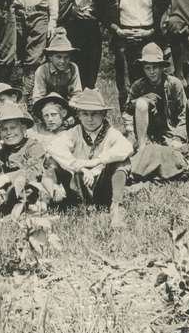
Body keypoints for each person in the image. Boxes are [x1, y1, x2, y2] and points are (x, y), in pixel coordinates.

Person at [48, 88, 133, 228]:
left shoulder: (111, 133)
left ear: (104, 114)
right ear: (78, 116)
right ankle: (49, 204)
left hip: (102, 186)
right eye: (85, 114)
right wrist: (79, 166)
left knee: (122, 161)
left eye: (95, 114)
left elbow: (127, 148)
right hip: (79, 185)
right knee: (52, 161)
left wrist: (97, 161)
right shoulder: (74, 132)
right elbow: (54, 147)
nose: (89, 119)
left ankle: (116, 207)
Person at [111, 0, 170, 112]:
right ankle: (127, 119)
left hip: (148, 36)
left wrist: (151, 32)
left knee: (151, 78)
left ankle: (153, 118)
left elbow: (161, 15)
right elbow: (107, 14)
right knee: (126, 81)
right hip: (125, 36)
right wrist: (118, 30)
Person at [61, 0, 116, 88]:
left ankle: (88, 97)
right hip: (72, 26)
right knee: (72, 65)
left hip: (91, 26)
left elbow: (104, 0)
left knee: (91, 66)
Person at [123, 43, 187, 162]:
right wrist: (130, 131)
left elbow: (183, 114)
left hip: (169, 130)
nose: (151, 72)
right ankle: (142, 148)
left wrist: (178, 137)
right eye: (147, 68)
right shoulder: (138, 86)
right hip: (144, 131)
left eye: (155, 67)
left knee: (175, 154)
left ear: (162, 67)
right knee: (125, 151)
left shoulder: (174, 84)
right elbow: (127, 112)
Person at [32, 28, 81, 104]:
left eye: (66, 57)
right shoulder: (42, 70)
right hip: (47, 105)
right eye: (58, 57)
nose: (62, 61)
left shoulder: (73, 68)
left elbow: (77, 93)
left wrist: (70, 105)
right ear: (50, 57)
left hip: (67, 104)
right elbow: (38, 97)